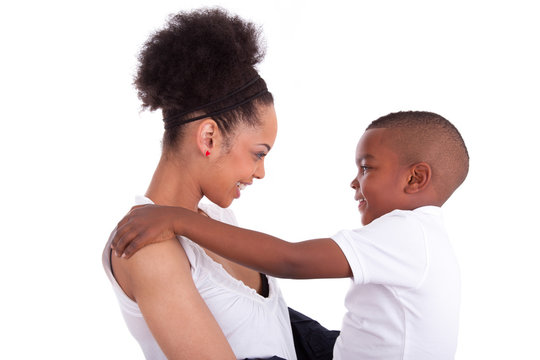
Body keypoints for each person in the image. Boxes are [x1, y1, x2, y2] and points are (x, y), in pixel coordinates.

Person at [112, 111, 469, 360]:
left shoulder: (407, 233)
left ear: (415, 179)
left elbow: (292, 259)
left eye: (366, 167)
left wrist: (180, 220)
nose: (354, 181)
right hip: (338, 350)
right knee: (277, 313)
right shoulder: (423, 237)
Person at [102, 8, 337, 360]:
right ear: (209, 138)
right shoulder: (147, 247)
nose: (260, 173)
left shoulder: (217, 221)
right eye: (258, 153)